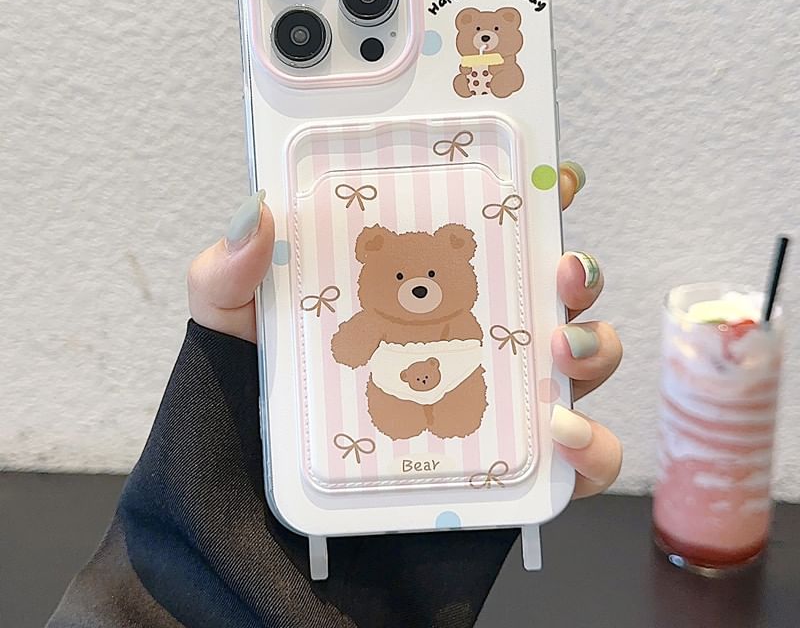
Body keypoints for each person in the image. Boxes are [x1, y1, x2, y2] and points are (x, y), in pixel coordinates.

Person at [48, 163, 622, 628]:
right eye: (400, 277)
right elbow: (349, 347)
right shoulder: (370, 316)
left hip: (456, 382)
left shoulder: (462, 317)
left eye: (430, 275)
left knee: (482, 393)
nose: (418, 287)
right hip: (384, 397)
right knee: (400, 409)